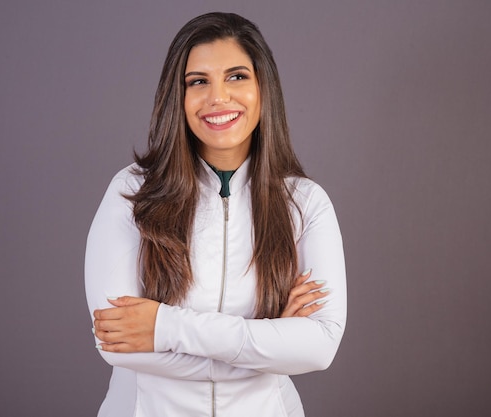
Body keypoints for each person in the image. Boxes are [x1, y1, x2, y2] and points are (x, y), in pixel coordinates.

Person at [85, 11, 346, 417]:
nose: (218, 97)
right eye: (198, 81)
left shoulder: (306, 203)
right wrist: (270, 345)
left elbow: (321, 346)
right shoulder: (133, 192)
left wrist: (165, 327)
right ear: (179, 96)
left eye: (237, 76)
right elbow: (115, 342)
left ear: (264, 89)